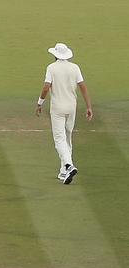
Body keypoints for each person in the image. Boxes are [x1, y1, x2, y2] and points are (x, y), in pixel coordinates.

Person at [35, 42, 93, 185]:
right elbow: (83, 87)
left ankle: (68, 165)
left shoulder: (51, 68)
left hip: (57, 109)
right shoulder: (75, 67)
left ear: (55, 55)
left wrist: (39, 103)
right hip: (71, 107)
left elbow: (45, 88)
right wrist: (88, 106)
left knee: (59, 140)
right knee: (67, 138)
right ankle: (63, 172)